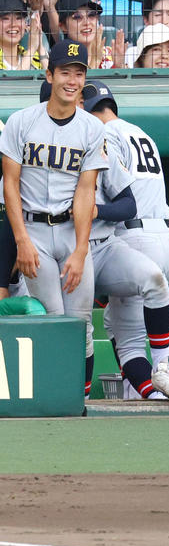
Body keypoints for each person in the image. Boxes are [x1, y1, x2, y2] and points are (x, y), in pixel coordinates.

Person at [0, 39, 109, 396]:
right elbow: (10, 186)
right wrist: (21, 241)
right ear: (49, 75)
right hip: (33, 230)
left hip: (69, 231)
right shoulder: (20, 122)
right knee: (53, 318)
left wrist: (81, 250)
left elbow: (86, 191)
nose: (72, 80)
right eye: (65, 72)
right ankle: (54, 395)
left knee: (82, 325)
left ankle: (81, 396)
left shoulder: (92, 129)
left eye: (79, 73)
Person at [76, 80, 169, 399]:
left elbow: (109, 193)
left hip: (134, 237)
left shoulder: (102, 134)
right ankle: (154, 389)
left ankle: (156, 384)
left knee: (128, 340)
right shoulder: (142, 133)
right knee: (137, 321)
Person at [57, 0, 123, 68]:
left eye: (91, 15)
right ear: (63, 26)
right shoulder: (60, 57)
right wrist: (95, 61)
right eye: (77, 17)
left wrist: (119, 66)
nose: (87, 22)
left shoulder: (111, 53)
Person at [0, 0, 39, 70]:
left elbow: (52, 79)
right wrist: (31, 50)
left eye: (18, 18)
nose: (13, 24)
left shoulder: (34, 56)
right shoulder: (30, 53)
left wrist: (40, 48)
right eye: (5, 19)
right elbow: (13, 82)